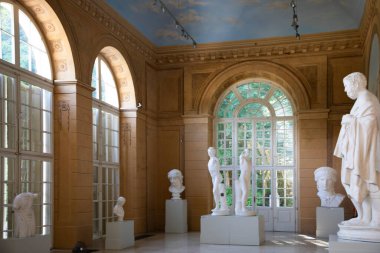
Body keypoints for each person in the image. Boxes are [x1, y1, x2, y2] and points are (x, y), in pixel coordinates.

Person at [334, 72, 380, 227]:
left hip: (366, 152)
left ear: (355, 84)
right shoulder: (361, 100)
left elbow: (370, 126)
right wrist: (350, 121)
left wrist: (350, 121)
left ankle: (374, 221)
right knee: (354, 183)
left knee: (368, 182)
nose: (345, 90)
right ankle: (364, 218)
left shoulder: (368, 100)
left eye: (346, 86)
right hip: (356, 150)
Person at [207, 147, 228, 215]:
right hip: (213, 177)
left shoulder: (215, 159)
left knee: (214, 191)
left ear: (214, 152)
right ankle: (218, 206)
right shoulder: (210, 160)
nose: (210, 153)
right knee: (217, 192)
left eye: (211, 152)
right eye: (209, 152)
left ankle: (218, 206)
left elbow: (217, 169)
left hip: (217, 177)